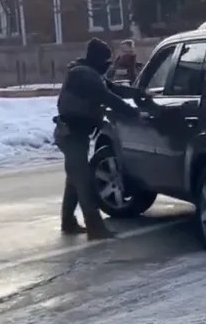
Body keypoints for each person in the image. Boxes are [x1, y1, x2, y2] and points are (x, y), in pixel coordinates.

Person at [55, 37, 144, 239]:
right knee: (84, 181)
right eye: (105, 60)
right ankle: (95, 228)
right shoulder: (84, 75)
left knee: (75, 179)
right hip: (71, 134)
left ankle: (68, 222)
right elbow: (108, 98)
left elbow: (113, 88)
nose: (108, 65)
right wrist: (134, 113)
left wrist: (137, 93)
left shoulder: (89, 73)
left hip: (76, 133)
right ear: (96, 59)